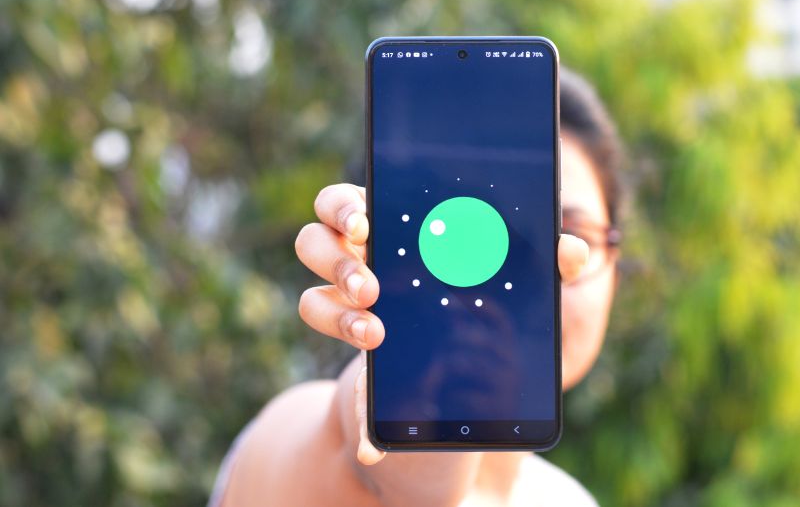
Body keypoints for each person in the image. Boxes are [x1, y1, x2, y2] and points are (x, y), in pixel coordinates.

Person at [210, 66, 630, 506]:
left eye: (567, 231)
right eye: (472, 235)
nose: (518, 274)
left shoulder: (569, 499)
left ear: (616, 267)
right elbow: (373, 460)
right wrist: (406, 399)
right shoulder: (297, 438)